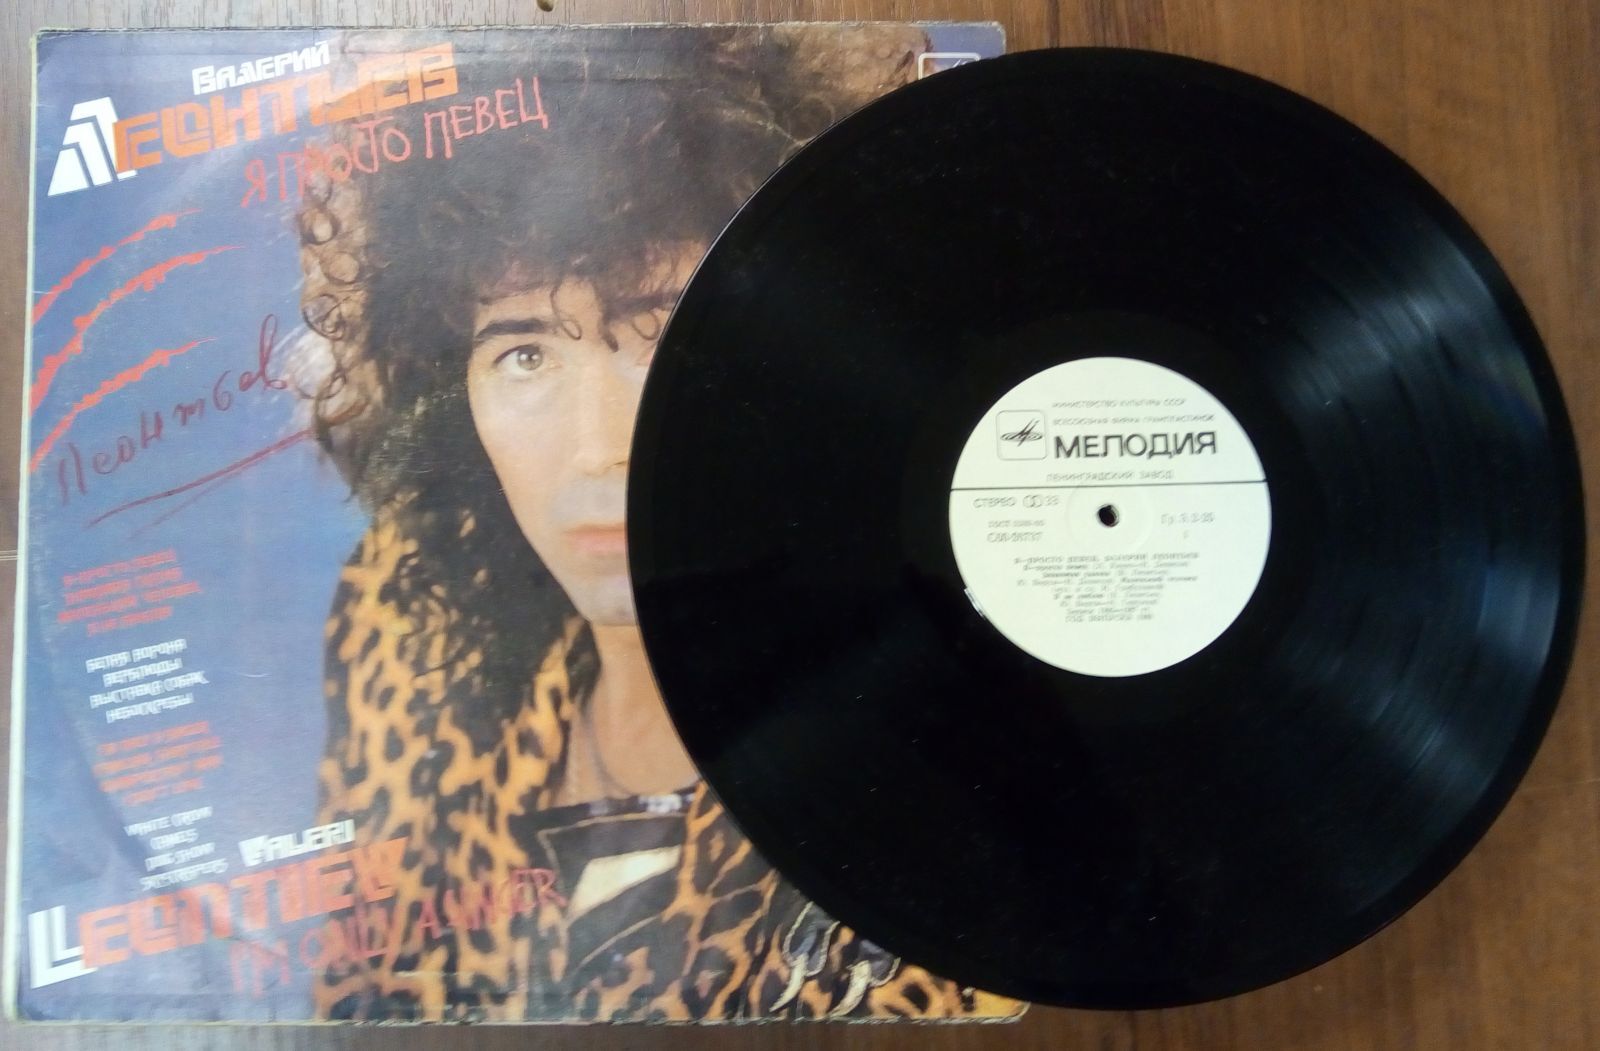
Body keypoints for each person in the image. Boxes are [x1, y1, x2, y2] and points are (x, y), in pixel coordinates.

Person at [298, 25, 1019, 1022]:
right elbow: (355, 1004)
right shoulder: (400, 622)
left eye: (665, 335)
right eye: (524, 354)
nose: (600, 448)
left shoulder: (938, 755)